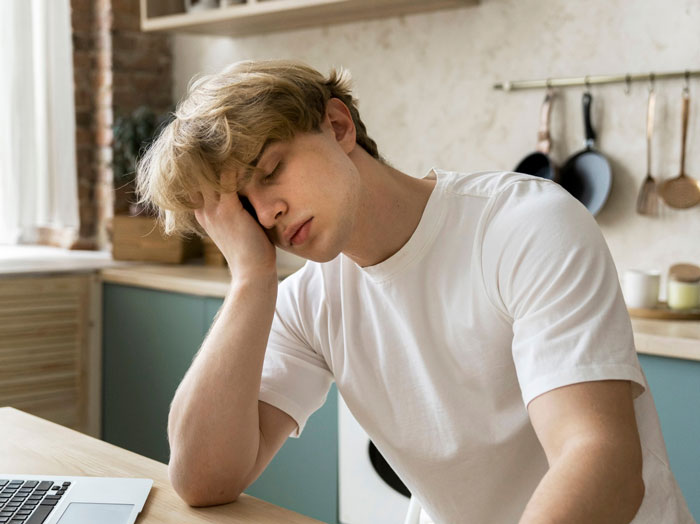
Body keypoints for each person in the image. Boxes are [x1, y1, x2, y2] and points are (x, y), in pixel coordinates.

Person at [136, 59, 695, 523]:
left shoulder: (525, 226)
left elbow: (600, 461)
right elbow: (202, 479)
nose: (267, 213)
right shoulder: (307, 299)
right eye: (244, 209)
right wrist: (250, 279)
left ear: (337, 126)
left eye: (271, 170)